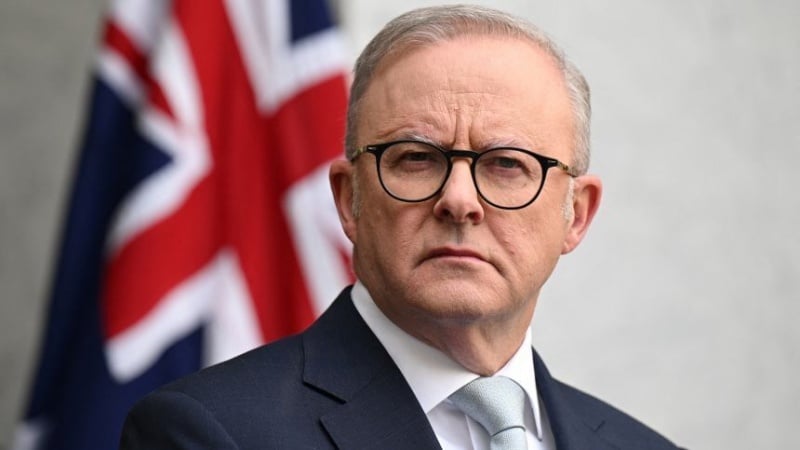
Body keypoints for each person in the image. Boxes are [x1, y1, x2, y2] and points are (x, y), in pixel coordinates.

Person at [120, 5, 684, 449]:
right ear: (349, 200)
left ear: (576, 214)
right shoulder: (209, 433)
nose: (459, 200)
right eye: (416, 158)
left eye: (507, 164)